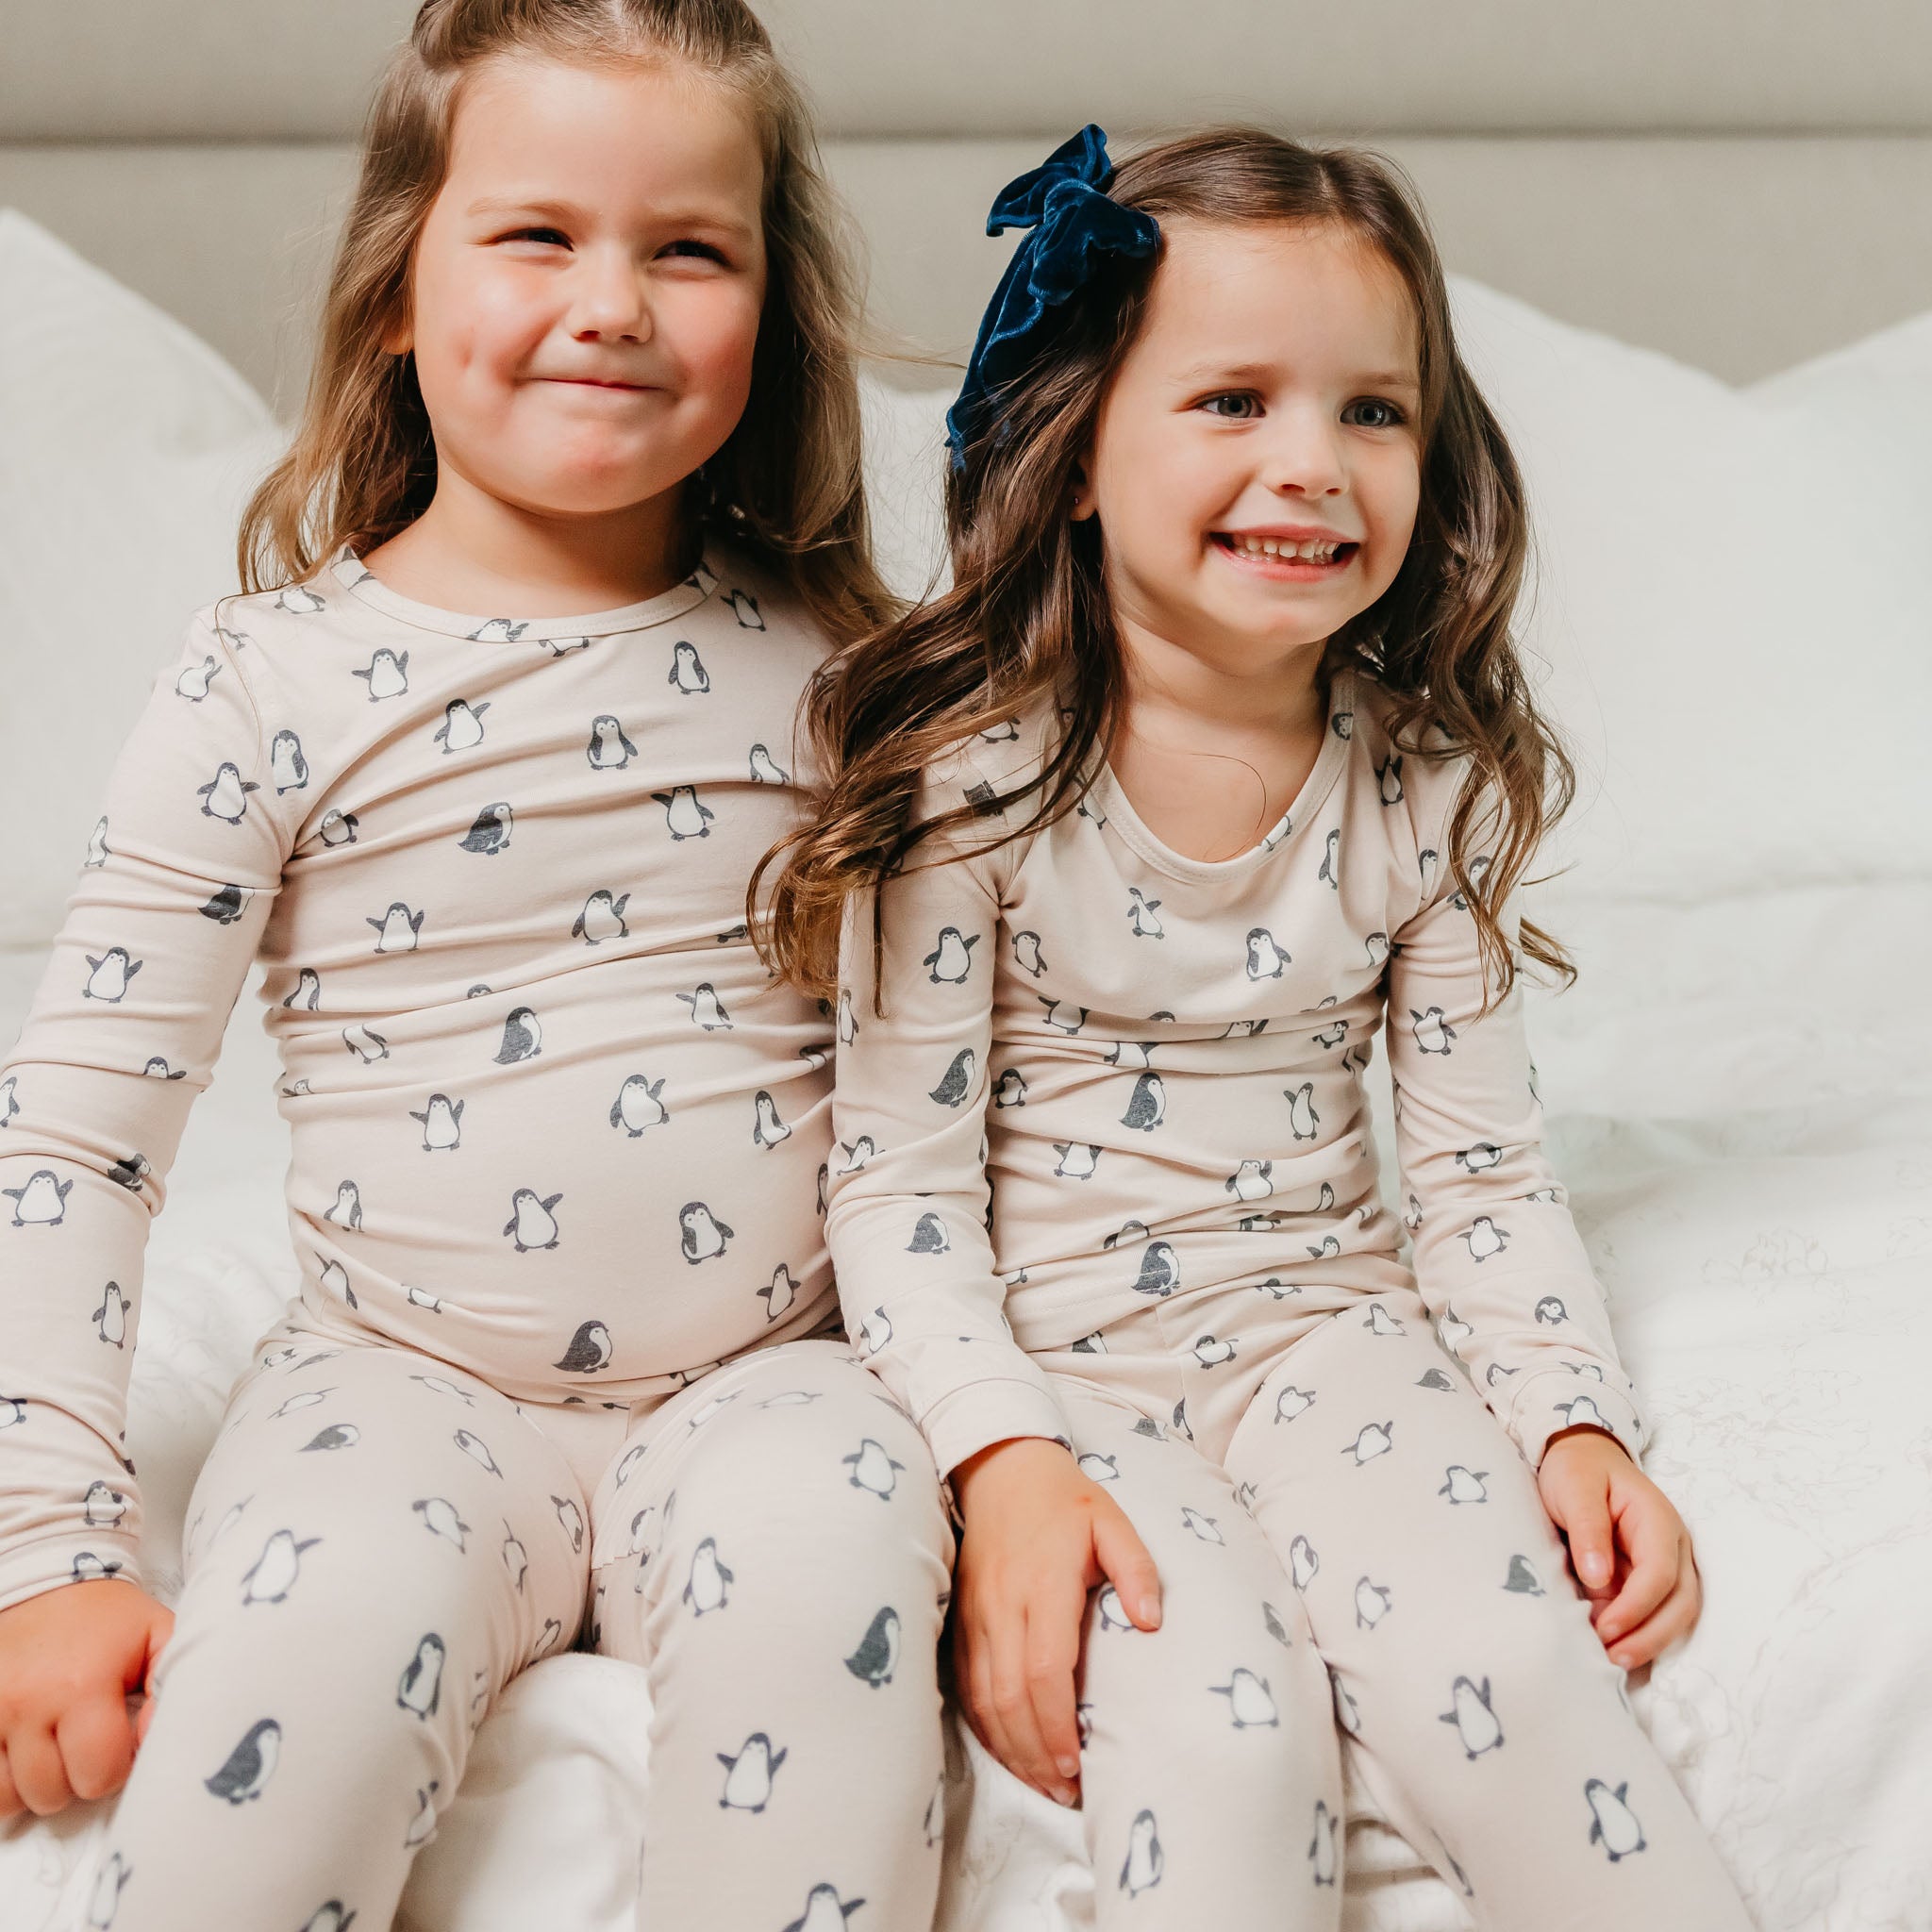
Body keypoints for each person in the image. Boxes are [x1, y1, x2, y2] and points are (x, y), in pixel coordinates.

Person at [0, 6, 953, 1928]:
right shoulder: (265, 682)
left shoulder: (856, 676)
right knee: (291, 1699)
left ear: (770, 319)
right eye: (536, 235)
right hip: (399, 1375)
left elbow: (970, 1085)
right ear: (394, 292)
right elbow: (80, 1139)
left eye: (689, 250)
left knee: (826, 1662)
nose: (611, 304)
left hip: (777, 1377)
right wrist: (45, 1548)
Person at [760, 125, 1756, 1929]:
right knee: (1225, 1741)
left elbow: (1479, 1174)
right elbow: (896, 1191)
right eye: (1233, 400)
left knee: (1520, 1676)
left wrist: (1569, 1425)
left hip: (1331, 1338)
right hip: (1063, 1373)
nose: (1313, 463)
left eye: (1374, 411)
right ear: (1074, 455)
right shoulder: (968, 786)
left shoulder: (1425, 783)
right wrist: (1003, 1457)